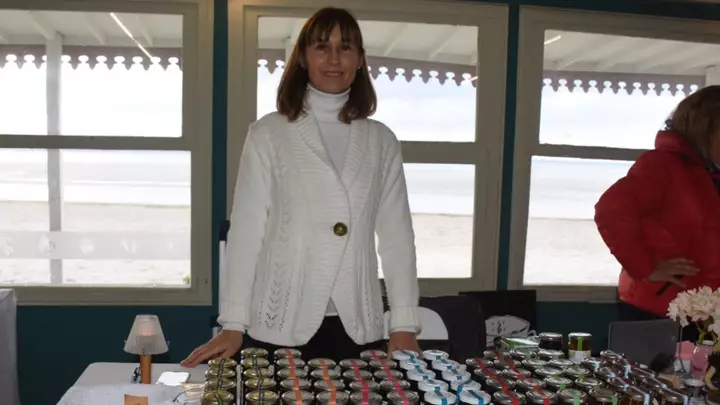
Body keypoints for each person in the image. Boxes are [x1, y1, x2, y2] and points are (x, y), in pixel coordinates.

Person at [181, 7, 421, 366]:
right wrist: (232, 322)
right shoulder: (269, 133)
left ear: (360, 59)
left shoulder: (382, 141)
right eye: (322, 47)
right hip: (278, 326)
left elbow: (397, 237)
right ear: (304, 58)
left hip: (358, 327)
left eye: (346, 47)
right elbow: (246, 233)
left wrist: (403, 323)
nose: (334, 58)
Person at [594, 85, 720, 331]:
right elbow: (612, 210)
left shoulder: (712, 173)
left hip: (706, 312)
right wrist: (646, 267)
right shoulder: (662, 166)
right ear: (704, 128)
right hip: (662, 309)